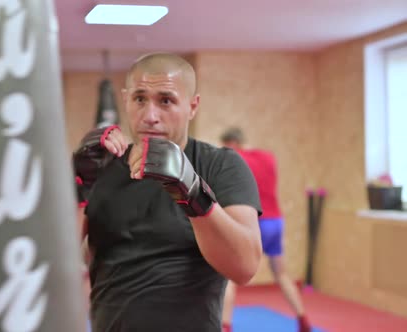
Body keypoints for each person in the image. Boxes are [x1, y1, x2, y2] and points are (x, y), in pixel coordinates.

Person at [71, 53, 264, 332]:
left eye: (166, 100)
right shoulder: (100, 167)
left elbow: (244, 267)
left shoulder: (219, 165)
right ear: (125, 99)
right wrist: (79, 190)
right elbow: (52, 264)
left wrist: (192, 193)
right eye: (140, 99)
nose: (150, 116)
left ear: (192, 106)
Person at [219, 127, 311, 332]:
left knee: (229, 275)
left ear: (232, 143)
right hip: (276, 222)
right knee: (281, 274)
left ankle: (225, 326)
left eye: (226, 146)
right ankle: (303, 319)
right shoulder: (268, 157)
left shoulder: (235, 158)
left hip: (255, 220)